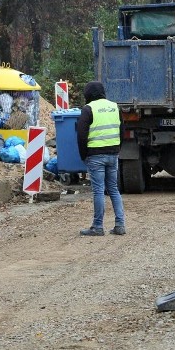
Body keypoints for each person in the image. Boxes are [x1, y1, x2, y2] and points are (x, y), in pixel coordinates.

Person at [75, 81, 126, 236]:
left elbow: (81, 136)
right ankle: (120, 225)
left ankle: (97, 227)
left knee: (98, 191)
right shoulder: (115, 107)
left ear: (88, 94)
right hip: (113, 154)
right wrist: (117, 149)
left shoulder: (88, 109)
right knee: (114, 189)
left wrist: (84, 155)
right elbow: (122, 130)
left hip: (95, 155)